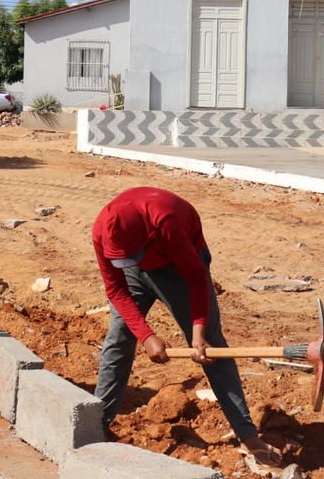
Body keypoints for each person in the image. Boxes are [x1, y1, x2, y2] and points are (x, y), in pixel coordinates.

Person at [92, 187, 282, 468]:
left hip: (178, 266)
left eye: (134, 254)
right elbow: (116, 291)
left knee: (212, 349)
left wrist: (198, 333)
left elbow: (196, 278)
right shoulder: (102, 234)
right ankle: (97, 424)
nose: (134, 261)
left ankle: (248, 435)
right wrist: (145, 336)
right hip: (136, 270)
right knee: (119, 338)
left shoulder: (164, 221)